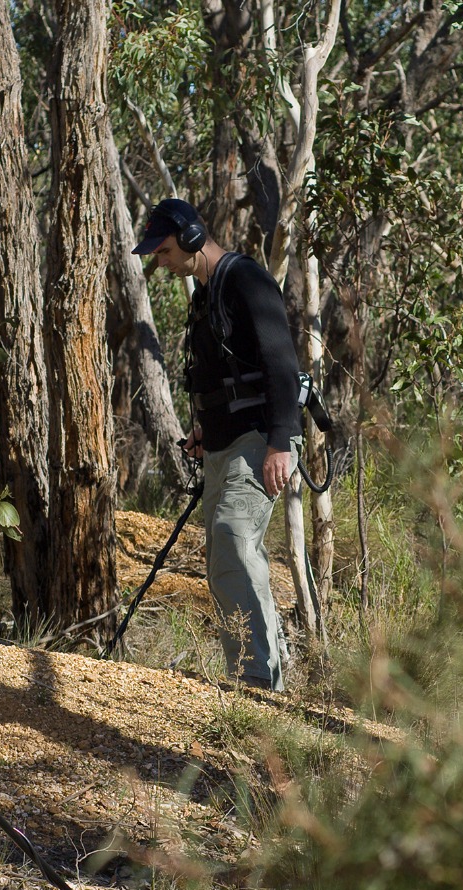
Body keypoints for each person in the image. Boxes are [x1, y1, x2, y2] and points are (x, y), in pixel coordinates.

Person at [133, 198, 301, 691]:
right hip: (224, 445)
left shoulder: (246, 279)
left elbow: (281, 364)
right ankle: (269, 666)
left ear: (189, 238)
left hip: (260, 440)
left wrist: (280, 442)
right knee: (227, 554)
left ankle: (254, 677)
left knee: (232, 535)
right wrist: (205, 426)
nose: (160, 263)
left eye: (163, 251)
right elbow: (216, 373)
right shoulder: (204, 296)